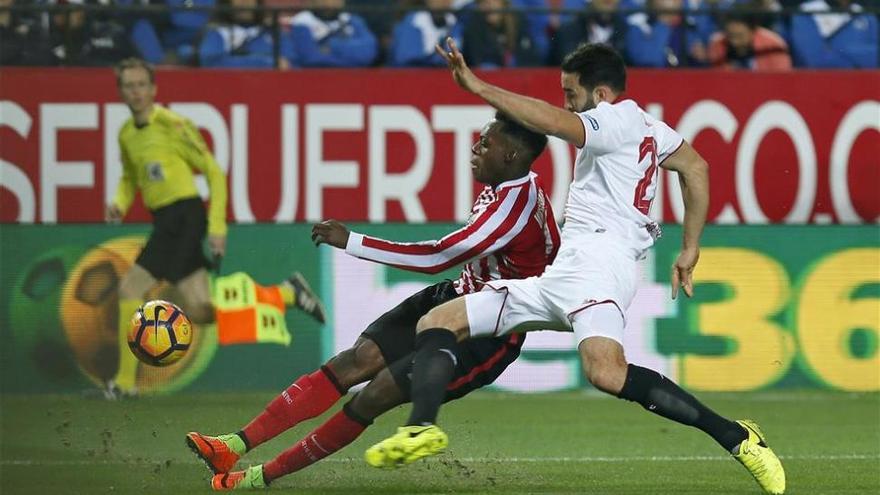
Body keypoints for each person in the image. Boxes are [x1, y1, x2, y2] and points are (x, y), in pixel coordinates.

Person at [365, 40, 786, 495]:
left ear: (600, 94)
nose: (567, 103)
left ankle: (738, 438)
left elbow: (551, 121)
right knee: (441, 320)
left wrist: (476, 86)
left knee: (604, 372)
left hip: (601, 267)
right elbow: (696, 168)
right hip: (567, 271)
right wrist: (689, 248)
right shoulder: (651, 128)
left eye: (571, 93)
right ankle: (422, 428)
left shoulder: (615, 117)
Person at [184, 112, 561, 490]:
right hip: (454, 298)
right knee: (355, 360)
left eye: (485, 143)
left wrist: (352, 241)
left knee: (376, 393)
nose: (475, 148)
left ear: (511, 155)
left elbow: (435, 257)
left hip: (486, 332)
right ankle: (232, 445)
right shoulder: (506, 183)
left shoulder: (517, 208)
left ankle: (254, 479)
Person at [106, 58, 325, 398]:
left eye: (140, 85)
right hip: (166, 220)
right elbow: (129, 178)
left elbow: (212, 171)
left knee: (129, 289)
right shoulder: (126, 135)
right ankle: (287, 293)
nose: (135, 92)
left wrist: (217, 225)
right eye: (128, 86)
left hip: (184, 217)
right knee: (199, 309)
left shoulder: (172, 125)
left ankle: (123, 383)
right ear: (121, 92)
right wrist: (119, 203)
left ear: (153, 89)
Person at [708, 6, 792, 71]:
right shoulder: (717, 44)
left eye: (740, 36)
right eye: (730, 36)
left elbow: (782, 81)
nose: (734, 42)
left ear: (753, 31)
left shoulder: (774, 45)